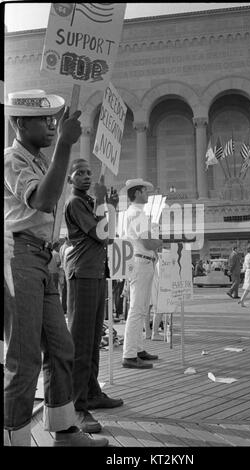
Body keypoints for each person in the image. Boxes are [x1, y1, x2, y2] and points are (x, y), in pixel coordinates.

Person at [4, 89, 108, 447]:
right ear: (19, 122)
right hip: (18, 257)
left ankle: (63, 429)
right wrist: (64, 144)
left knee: (61, 347)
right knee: (24, 356)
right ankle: (13, 436)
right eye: (43, 121)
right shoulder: (10, 159)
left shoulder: (39, 163)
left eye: (53, 121)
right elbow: (44, 199)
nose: (51, 126)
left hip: (43, 259)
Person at [64, 158, 124, 433]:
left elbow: (110, 235)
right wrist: (102, 203)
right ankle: (78, 406)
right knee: (80, 339)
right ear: (70, 179)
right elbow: (101, 235)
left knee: (93, 336)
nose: (86, 177)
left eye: (89, 173)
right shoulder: (76, 202)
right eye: (80, 173)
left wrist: (108, 206)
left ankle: (92, 392)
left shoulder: (89, 203)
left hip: (96, 272)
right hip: (83, 273)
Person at [122, 178, 163, 369]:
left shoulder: (136, 213)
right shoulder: (136, 213)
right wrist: (159, 242)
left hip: (142, 261)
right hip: (141, 261)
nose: (147, 194)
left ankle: (137, 349)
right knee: (137, 309)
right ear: (137, 193)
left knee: (141, 308)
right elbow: (147, 242)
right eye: (145, 191)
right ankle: (129, 354)